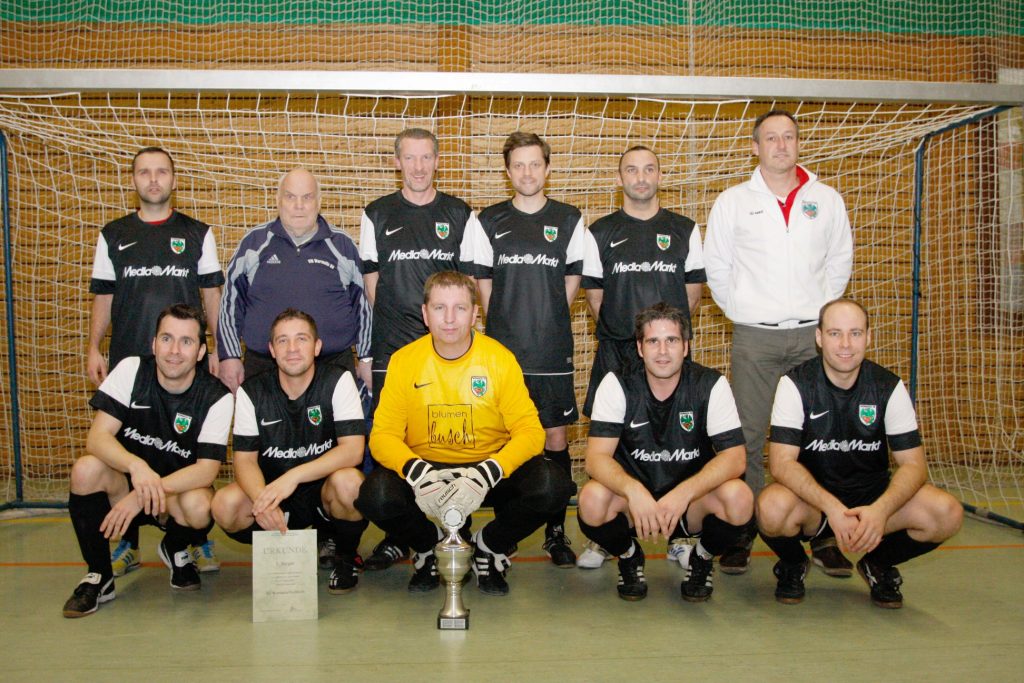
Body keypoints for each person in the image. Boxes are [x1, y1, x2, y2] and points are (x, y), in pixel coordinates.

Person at [355, 271, 575, 596]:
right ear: (425, 313)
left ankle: (489, 546)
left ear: (474, 314)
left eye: (459, 308)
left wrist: (489, 471)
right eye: (439, 308)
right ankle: (430, 547)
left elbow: (530, 432)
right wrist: (417, 471)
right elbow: (382, 436)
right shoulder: (403, 362)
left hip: (487, 471)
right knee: (374, 495)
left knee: (554, 485)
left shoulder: (499, 359)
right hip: (428, 473)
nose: (449, 319)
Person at [703, 109, 854, 575]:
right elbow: (717, 266)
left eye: (789, 137)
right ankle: (743, 533)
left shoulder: (826, 199)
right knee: (748, 436)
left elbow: (840, 260)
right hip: (755, 338)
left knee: (819, 438)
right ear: (755, 147)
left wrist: (820, 314)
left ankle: (823, 534)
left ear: (798, 143)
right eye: (771, 138)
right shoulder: (732, 202)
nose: (781, 145)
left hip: (812, 338)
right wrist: (744, 311)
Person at [757, 299, 962, 608]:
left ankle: (878, 564)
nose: (845, 344)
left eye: (855, 333)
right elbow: (781, 463)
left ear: (868, 337)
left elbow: (914, 465)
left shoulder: (888, 386)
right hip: (816, 506)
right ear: (819, 337)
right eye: (835, 333)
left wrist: (880, 511)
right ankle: (794, 563)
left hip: (871, 502)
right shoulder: (795, 384)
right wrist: (833, 509)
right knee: (770, 508)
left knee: (946, 513)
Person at [87, 147, 225, 577]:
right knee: (127, 451)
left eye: (161, 172)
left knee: (187, 453)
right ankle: (127, 544)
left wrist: (219, 350)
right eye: (144, 172)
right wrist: (93, 346)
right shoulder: (113, 235)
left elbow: (212, 296)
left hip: (186, 364)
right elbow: (103, 297)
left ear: (173, 180)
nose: (153, 179)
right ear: (133, 180)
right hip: (131, 364)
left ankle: (194, 540)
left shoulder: (197, 234)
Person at [357, 128, 479, 571]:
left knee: (450, 436)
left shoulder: (459, 213)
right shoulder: (376, 214)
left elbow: (467, 287)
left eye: (426, 157)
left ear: (437, 160)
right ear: (397, 162)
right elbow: (372, 285)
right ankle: (404, 536)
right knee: (397, 443)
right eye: (410, 158)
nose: (419, 166)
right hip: (394, 348)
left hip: (448, 351)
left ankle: (456, 526)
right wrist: (382, 346)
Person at [578, 145, 706, 567]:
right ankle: (609, 538)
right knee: (614, 447)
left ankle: (680, 535)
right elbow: (595, 298)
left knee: (679, 441)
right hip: (618, 351)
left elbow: (692, 295)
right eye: (631, 170)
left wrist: (664, 341)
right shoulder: (599, 232)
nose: (640, 177)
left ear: (659, 176)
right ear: (620, 178)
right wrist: (626, 336)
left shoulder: (684, 229)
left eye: (649, 169)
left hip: (668, 354)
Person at [63, 304, 234, 618]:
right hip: (126, 487)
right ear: (154, 344)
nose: (174, 350)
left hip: (173, 498)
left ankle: (175, 548)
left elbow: (207, 470)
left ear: (200, 352)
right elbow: (97, 438)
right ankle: (99, 576)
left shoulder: (217, 396)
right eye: (167, 339)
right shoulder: (131, 370)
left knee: (200, 506)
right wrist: (137, 467)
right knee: (85, 469)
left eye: (186, 341)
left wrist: (145, 495)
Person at [577, 303, 752, 602]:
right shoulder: (617, 383)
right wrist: (633, 490)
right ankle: (629, 556)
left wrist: (685, 493)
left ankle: (701, 558)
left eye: (671, 340)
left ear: (686, 346)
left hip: (690, 504)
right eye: (653, 341)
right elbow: (595, 459)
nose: (662, 351)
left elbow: (735, 458)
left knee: (740, 498)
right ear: (640, 348)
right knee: (592, 500)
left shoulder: (710, 384)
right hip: (635, 506)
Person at [471, 132, 586, 567]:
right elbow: (484, 284)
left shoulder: (569, 219)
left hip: (551, 351)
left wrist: (547, 317)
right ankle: (506, 531)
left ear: (547, 168)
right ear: (507, 171)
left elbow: (571, 283)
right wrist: (505, 323)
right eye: (518, 165)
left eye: (535, 164)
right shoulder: (488, 220)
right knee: (506, 441)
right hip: (505, 354)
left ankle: (556, 532)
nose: (527, 172)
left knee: (554, 438)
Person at [211, 309, 368, 594]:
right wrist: (262, 500)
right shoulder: (252, 391)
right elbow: (244, 460)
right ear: (272, 350)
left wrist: (293, 476)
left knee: (351, 484)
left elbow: (353, 450)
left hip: (323, 495)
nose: (292, 348)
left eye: (301, 339)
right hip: (277, 496)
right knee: (225, 504)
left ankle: (346, 557)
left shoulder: (338, 380)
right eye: (282, 341)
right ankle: (280, 551)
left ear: (317, 346)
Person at [218, 168, 371, 392]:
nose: (299, 205)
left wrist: (366, 357)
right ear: (278, 201)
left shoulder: (342, 245)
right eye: (290, 197)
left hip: (332, 366)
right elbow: (230, 303)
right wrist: (229, 355)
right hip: (264, 368)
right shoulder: (253, 243)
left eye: (307, 197)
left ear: (319, 202)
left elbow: (364, 307)